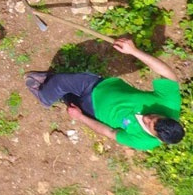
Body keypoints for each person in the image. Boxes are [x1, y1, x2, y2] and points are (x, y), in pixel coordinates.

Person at [25, 36, 183, 151]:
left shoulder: (143, 142)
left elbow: (110, 132)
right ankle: (45, 96)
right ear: (167, 117)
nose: (147, 118)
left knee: (68, 98)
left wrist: (80, 117)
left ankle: (53, 91)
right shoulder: (169, 104)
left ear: (157, 137)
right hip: (99, 86)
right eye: (155, 117)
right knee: (61, 82)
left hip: (92, 110)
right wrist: (134, 51)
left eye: (149, 124)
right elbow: (167, 74)